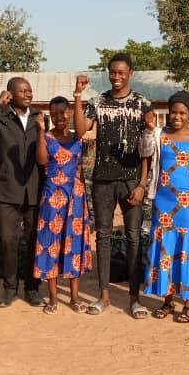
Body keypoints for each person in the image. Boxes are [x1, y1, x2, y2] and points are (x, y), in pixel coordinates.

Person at [72, 54, 152, 318]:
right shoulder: (98, 102)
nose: (116, 77)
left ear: (130, 73)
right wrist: (77, 96)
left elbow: (147, 152)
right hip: (104, 180)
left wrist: (142, 184)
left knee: (133, 238)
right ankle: (103, 296)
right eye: (112, 73)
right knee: (103, 237)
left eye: (121, 73)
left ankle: (134, 298)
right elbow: (81, 130)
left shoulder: (142, 104)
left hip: (131, 180)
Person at [139, 91, 189, 323]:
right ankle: (168, 301)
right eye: (173, 112)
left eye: (182, 112)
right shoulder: (160, 134)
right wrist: (150, 129)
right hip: (163, 203)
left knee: (188, 251)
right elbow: (145, 152)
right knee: (166, 252)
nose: (177, 116)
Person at [0, 77, 44, 308]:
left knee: (34, 241)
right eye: (23, 91)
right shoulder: (1, 117)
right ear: (11, 94)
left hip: (34, 189)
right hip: (7, 190)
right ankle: (9, 289)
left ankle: (32, 289)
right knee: (8, 241)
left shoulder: (39, 117)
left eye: (30, 90)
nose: (28, 94)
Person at [33, 97, 93, 314]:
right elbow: (41, 161)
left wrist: (86, 202)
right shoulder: (47, 138)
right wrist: (41, 131)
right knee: (51, 244)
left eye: (63, 113)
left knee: (73, 246)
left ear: (69, 113)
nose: (60, 118)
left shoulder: (78, 137)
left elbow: (80, 170)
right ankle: (53, 298)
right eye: (55, 114)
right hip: (52, 198)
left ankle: (75, 298)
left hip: (75, 197)